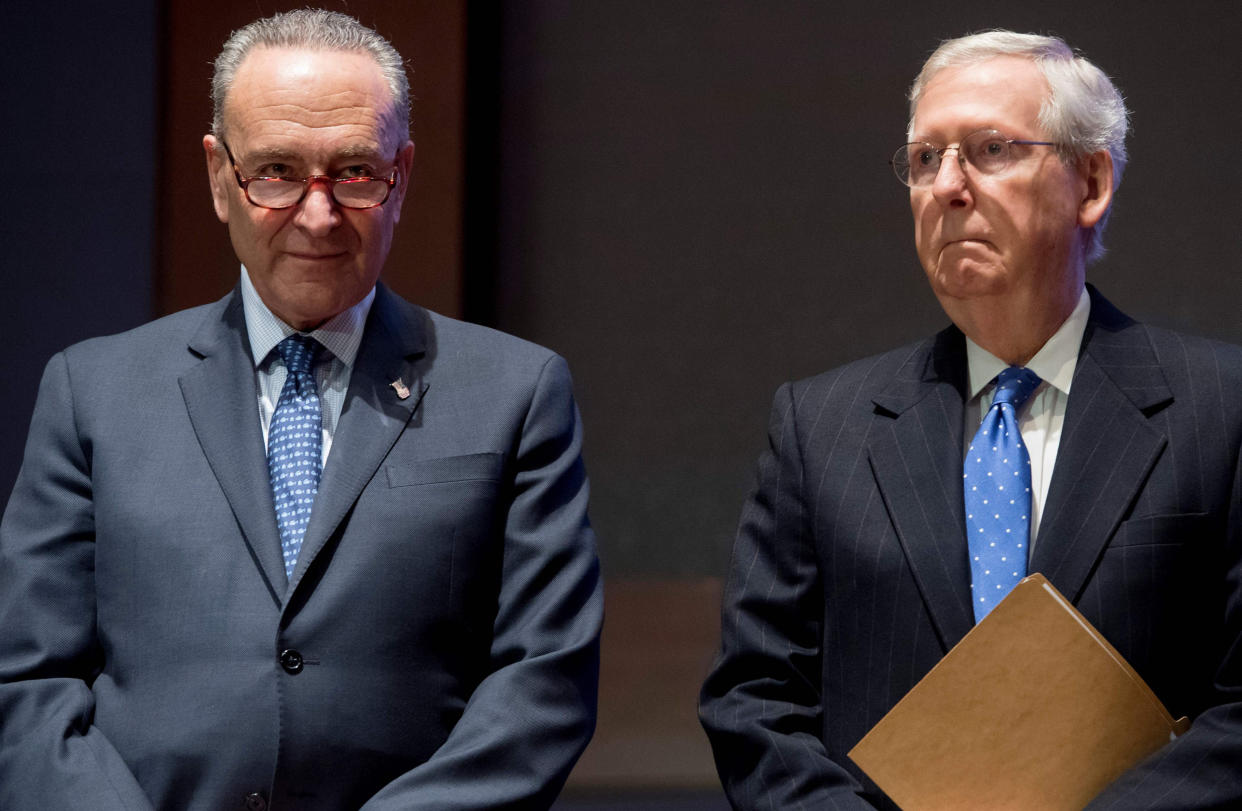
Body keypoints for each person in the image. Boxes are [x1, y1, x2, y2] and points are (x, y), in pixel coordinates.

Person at [0, 9, 601, 810]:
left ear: (402, 177)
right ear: (220, 177)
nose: (318, 215)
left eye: (354, 171)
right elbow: (27, 679)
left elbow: (543, 684)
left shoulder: (514, 393)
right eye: (276, 172)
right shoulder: (94, 391)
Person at [700, 30, 1242, 810]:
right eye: (925, 159)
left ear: (1090, 181)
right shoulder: (822, 428)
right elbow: (752, 702)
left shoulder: (1222, 408)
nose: (947, 186)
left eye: (989, 149)